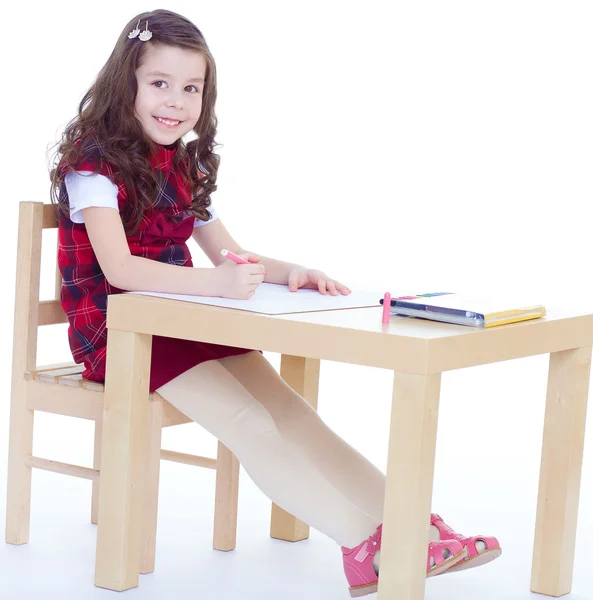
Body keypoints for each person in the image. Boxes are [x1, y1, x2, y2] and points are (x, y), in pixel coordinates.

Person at [48, 9, 501, 596]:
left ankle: (411, 526)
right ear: (125, 83)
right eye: (159, 83)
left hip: (182, 317)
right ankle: (371, 548)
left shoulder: (183, 164)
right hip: (121, 331)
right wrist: (216, 286)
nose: (176, 102)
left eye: (191, 88)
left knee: (291, 413)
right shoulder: (93, 163)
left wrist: (293, 274)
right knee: (249, 422)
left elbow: (229, 253)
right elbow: (120, 269)